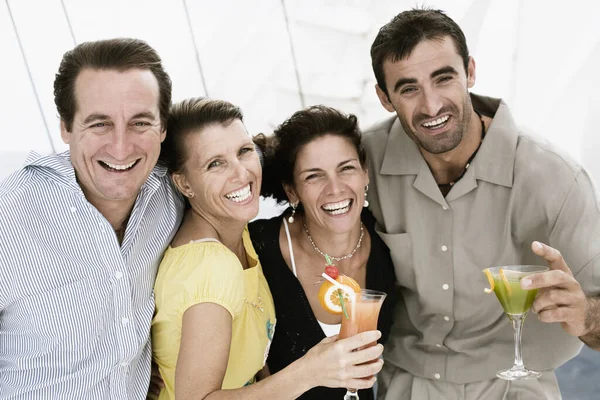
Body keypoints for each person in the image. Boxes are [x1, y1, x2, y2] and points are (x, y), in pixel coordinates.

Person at [364, 7, 600, 400]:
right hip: (406, 382)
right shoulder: (363, 160)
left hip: (516, 385)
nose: (432, 105)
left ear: (470, 72)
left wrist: (586, 314)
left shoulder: (557, 179)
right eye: (408, 88)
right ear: (385, 98)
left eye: (444, 78)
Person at [151, 98, 384, 400]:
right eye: (215, 164)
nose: (241, 173)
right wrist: (311, 371)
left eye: (244, 151)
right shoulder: (211, 267)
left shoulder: (239, 236)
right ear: (184, 184)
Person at [0, 38, 183, 399]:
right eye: (99, 124)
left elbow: (240, 165)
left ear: (163, 128)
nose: (120, 147)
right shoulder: (10, 219)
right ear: (66, 128)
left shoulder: (173, 193)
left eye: (140, 123)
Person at [249, 105, 397, 400]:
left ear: (365, 173)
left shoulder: (389, 242)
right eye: (314, 176)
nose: (335, 188)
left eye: (347, 168)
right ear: (292, 192)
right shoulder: (256, 249)